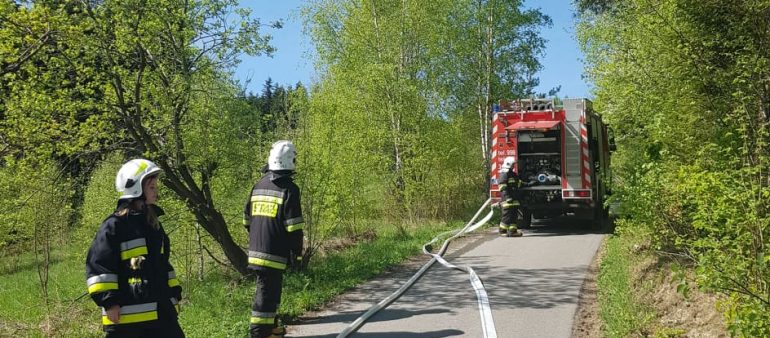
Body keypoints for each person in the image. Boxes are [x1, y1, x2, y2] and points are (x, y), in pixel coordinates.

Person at [85, 159, 184, 338]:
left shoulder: (152, 224)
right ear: (136, 189)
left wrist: (174, 293)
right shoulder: (114, 226)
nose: (157, 192)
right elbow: (99, 266)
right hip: (126, 319)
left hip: (161, 313)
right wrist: (109, 302)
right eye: (152, 187)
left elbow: (161, 264)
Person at [243, 140, 304, 338]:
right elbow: (294, 227)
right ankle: (259, 333)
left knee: (271, 292)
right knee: (267, 295)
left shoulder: (258, 185)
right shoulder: (290, 189)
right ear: (290, 161)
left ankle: (271, 328)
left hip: (255, 250)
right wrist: (298, 253)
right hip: (275, 253)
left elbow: (246, 219)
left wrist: (258, 238)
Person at [497, 156, 534, 237]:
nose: (514, 166)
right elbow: (502, 187)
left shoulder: (512, 174)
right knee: (507, 217)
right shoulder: (504, 174)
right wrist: (507, 197)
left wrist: (529, 184)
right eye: (513, 164)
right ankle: (502, 231)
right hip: (508, 201)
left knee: (514, 217)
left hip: (514, 200)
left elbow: (518, 183)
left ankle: (512, 231)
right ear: (509, 164)